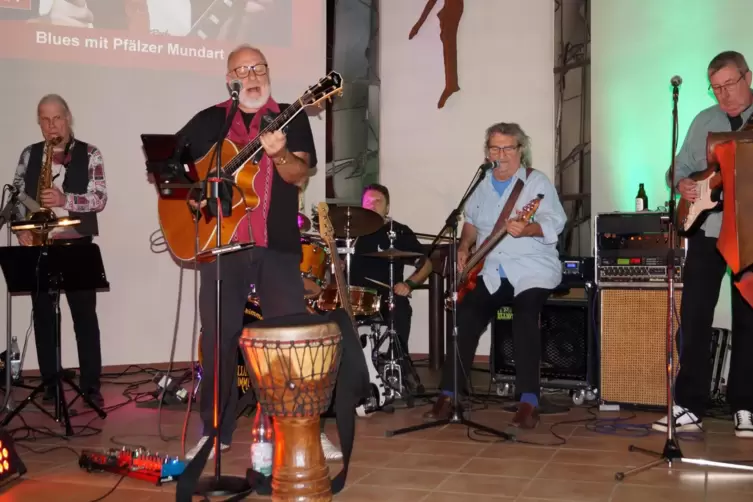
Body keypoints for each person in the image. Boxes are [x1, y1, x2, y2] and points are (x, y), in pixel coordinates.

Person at [176, 44, 341, 460]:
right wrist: (193, 194)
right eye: (241, 69)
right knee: (217, 342)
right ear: (229, 78)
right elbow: (167, 164)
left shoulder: (292, 114)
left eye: (258, 68)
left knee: (290, 340)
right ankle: (215, 430)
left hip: (277, 244)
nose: (251, 75)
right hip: (223, 246)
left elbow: (299, 173)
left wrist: (279, 152)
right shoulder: (210, 119)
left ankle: (306, 426)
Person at [423, 122, 566, 429]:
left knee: (524, 317)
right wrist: (464, 247)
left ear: (520, 150)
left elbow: (555, 221)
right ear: (486, 151)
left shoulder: (535, 182)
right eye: (494, 148)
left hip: (532, 267)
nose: (500, 154)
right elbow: (472, 223)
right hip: (492, 269)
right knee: (467, 317)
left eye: (507, 148)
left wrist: (527, 228)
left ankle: (529, 400)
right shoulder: (481, 184)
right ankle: (449, 394)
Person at [657, 50, 753, 438]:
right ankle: (688, 405)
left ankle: (746, 406)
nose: (724, 94)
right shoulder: (704, 120)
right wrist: (679, 183)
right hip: (706, 231)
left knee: (749, 320)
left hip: (749, 236)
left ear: (748, 76)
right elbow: (678, 170)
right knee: (694, 319)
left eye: (730, 84)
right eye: (716, 88)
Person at [11, 94, 107, 408]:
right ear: (39, 122)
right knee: (43, 317)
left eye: (57, 118)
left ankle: (91, 385)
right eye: (45, 119)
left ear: (68, 118)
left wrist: (66, 200)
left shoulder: (90, 153)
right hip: (39, 245)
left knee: (84, 318)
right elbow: (17, 198)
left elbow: (100, 198)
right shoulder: (29, 154)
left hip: (76, 243)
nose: (52, 125)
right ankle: (51, 384)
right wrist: (22, 229)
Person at [348, 183, 432, 388]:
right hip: (352, 296)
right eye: (368, 202)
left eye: (379, 202)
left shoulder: (399, 231)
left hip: (385, 297)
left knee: (401, 308)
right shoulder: (349, 234)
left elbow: (427, 264)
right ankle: (343, 371)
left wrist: (409, 284)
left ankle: (399, 365)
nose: (373, 205)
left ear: (387, 208)